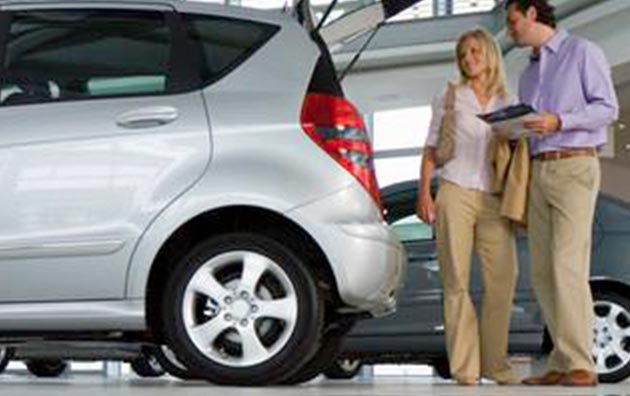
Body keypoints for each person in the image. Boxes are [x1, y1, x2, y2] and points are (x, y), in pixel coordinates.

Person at [505, 0, 619, 386]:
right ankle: (560, 360)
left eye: (514, 20)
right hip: (538, 170)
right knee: (541, 271)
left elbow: (608, 108)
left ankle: (581, 363)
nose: (510, 30)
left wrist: (560, 121)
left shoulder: (583, 52)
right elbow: (530, 127)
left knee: (567, 265)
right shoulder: (527, 74)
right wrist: (510, 128)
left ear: (533, 14)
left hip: (575, 165)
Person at [417, 28, 519, 386]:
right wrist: (424, 194)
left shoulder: (508, 99)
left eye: (475, 51)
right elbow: (431, 146)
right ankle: (466, 368)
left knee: (503, 280)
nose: (468, 59)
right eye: (463, 54)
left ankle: (496, 364)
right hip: (454, 191)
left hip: (494, 197)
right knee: (456, 280)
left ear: (490, 53)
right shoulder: (449, 96)